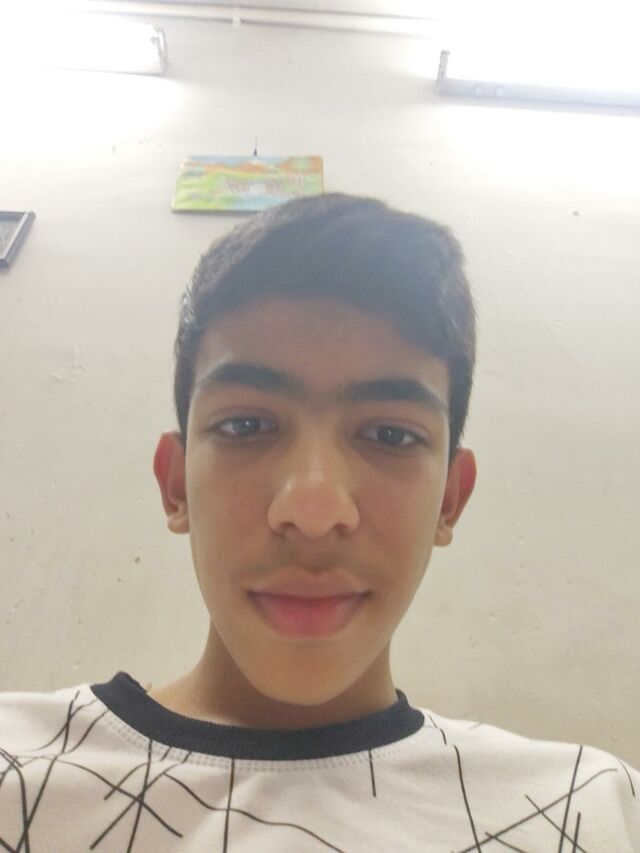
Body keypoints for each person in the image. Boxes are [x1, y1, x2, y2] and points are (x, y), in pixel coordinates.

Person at [0, 193, 637, 851]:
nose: (313, 511)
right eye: (246, 425)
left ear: (450, 498)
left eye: (390, 435)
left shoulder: (587, 808)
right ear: (175, 483)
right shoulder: (16, 774)